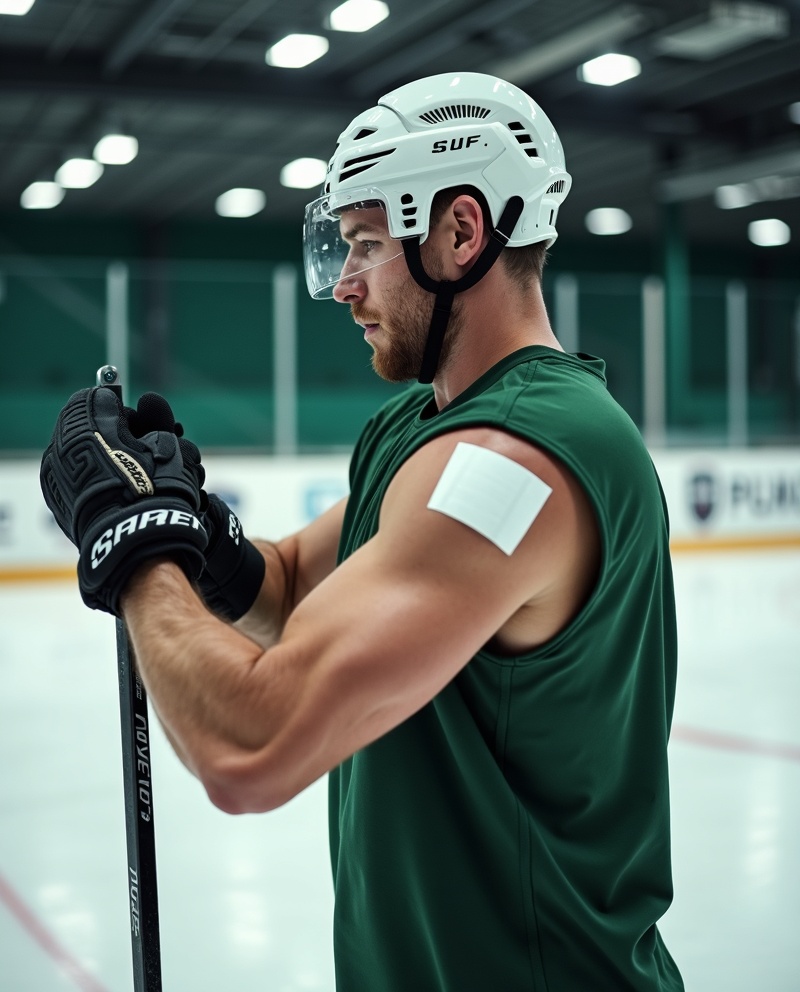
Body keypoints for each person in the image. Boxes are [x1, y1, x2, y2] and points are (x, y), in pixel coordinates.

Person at [41, 72, 684, 991]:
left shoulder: (522, 460)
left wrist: (130, 538)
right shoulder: (420, 427)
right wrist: (191, 529)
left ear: (462, 233)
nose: (342, 285)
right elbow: (294, 587)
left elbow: (250, 749)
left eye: (367, 244)